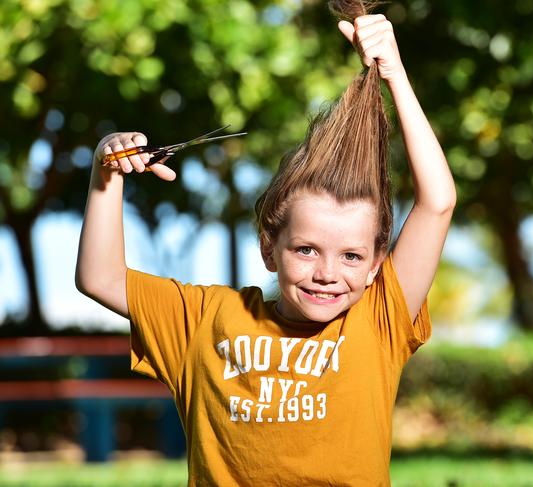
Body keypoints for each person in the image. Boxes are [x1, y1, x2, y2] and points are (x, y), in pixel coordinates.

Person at [76, 0, 455, 484]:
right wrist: (105, 173)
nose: (327, 273)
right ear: (267, 248)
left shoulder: (379, 321)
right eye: (306, 249)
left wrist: (395, 75)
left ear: (377, 263)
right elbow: (99, 278)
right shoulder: (205, 321)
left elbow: (438, 202)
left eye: (352, 256)